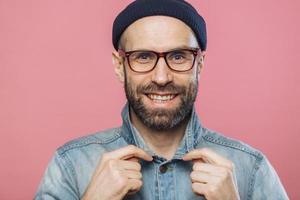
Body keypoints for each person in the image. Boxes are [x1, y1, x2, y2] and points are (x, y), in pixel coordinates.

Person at [35, 0, 288, 199]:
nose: (161, 77)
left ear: (199, 65)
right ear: (119, 66)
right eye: (143, 57)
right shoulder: (70, 165)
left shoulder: (252, 169)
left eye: (178, 56)